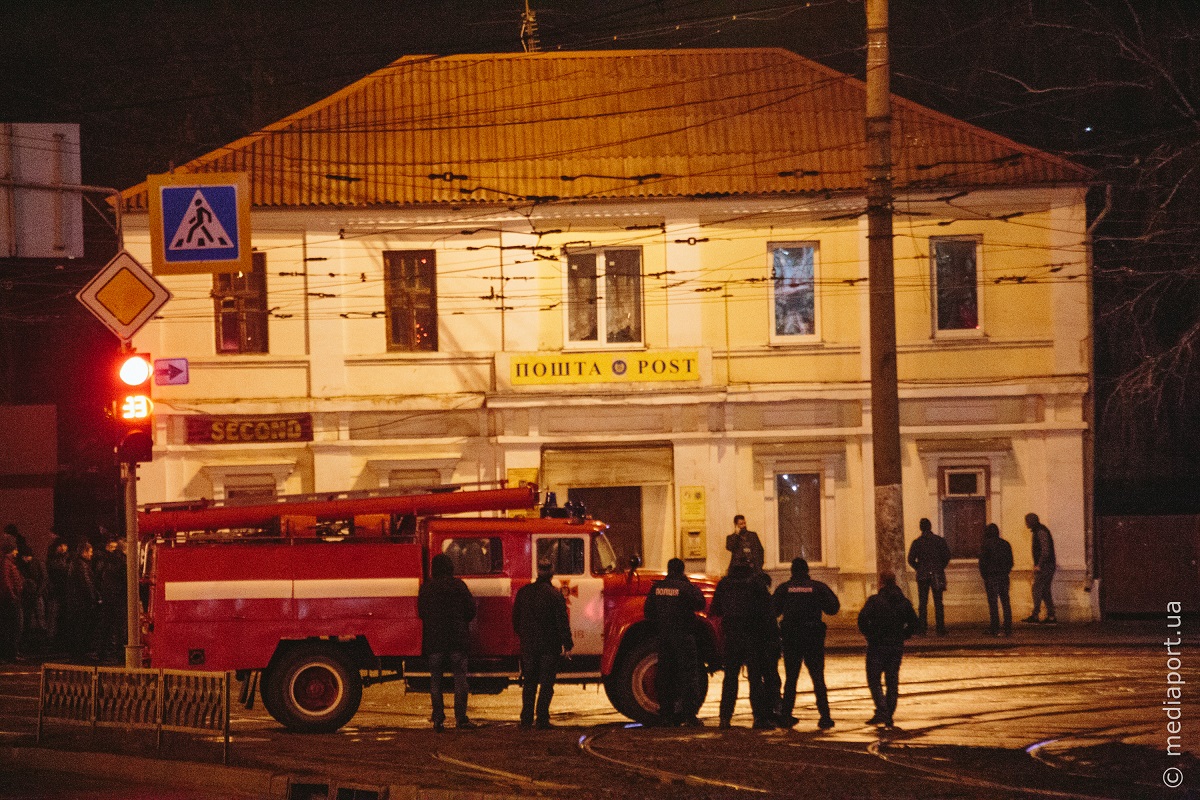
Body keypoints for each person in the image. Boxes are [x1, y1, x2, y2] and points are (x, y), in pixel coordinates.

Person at [772, 557, 840, 729]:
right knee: (818, 678)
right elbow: (833, 608)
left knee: (791, 679)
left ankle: (786, 715)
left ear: (792, 571)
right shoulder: (817, 587)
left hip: (791, 638)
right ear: (807, 570)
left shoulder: (785, 589)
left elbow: (773, 610)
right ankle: (825, 717)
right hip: (813, 637)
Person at [417, 553, 479, 731]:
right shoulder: (459, 586)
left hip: (434, 640)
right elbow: (470, 610)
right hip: (457, 639)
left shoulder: (427, 588)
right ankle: (461, 719)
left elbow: (421, 612)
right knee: (460, 680)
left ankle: (438, 719)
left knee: (436, 680)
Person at [710, 562, 776, 729]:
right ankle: (759, 718)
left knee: (730, 678)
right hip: (752, 637)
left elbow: (716, 609)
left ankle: (725, 718)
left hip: (732, 637)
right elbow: (768, 610)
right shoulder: (755, 583)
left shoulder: (724, 584)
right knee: (755, 679)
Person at [644, 557, 706, 726]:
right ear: (682, 570)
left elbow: (648, 612)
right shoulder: (686, 587)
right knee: (688, 675)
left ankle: (666, 715)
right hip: (684, 637)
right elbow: (700, 604)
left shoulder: (657, 588)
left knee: (665, 675)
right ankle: (689, 715)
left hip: (664, 638)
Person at [513, 559, 573, 729]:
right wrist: (567, 644)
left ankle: (526, 719)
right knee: (546, 684)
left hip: (529, 646)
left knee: (529, 683)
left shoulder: (524, 592)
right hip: (549, 647)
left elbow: (516, 620)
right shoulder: (555, 595)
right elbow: (562, 621)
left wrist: (524, 636)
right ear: (551, 572)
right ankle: (542, 719)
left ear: (538, 571)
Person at [857, 571, 919, 728]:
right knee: (892, 680)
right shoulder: (904, 602)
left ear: (881, 582)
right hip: (895, 645)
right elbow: (914, 624)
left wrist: (870, 635)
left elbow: (862, 620)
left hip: (877, 645)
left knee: (874, 679)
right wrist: (903, 635)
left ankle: (882, 710)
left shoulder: (874, 601)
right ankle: (888, 713)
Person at [906, 518, 950, 635]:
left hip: (922, 575)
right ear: (930, 527)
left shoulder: (917, 542)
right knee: (938, 602)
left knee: (923, 602)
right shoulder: (939, 541)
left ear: (921, 528)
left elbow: (910, 559)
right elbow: (947, 556)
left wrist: (919, 567)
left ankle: (922, 629)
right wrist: (940, 567)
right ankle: (940, 629)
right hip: (937, 574)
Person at [63, 540, 100, 663]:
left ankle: (77, 653)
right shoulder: (81, 566)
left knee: (77, 628)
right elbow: (87, 584)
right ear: (84, 552)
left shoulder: (76, 563)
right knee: (81, 629)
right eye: (90, 552)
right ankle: (79, 654)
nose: (91, 554)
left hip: (76, 603)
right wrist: (95, 598)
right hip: (81, 604)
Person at [93, 536, 128, 663]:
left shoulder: (108, 560)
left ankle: (101, 652)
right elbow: (126, 581)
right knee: (121, 627)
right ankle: (120, 654)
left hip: (108, 597)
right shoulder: (123, 562)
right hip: (119, 598)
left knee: (107, 626)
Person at [978, 523, 1014, 636]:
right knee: (1005, 602)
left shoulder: (986, 544)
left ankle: (995, 628)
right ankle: (1008, 628)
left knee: (993, 603)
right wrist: (1006, 571)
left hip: (991, 576)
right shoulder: (1005, 544)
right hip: (1003, 576)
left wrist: (985, 576)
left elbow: (982, 563)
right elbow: (1011, 562)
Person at [1023, 513, 1057, 624]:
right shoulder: (1040, 530)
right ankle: (1051, 616)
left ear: (1031, 521)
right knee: (1045, 590)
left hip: (1045, 566)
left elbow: (1045, 550)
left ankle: (1035, 615)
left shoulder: (1040, 531)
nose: (1026, 523)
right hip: (1048, 564)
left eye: (1027, 521)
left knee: (1036, 588)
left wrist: (1039, 565)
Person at [0, 535, 24, 662]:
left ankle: (12, 652)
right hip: (11, 600)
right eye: (15, 549)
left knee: (13, 627)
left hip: (12, 599)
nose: (17, 552)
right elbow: (6, 581)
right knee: (14, 626)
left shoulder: (8, 562)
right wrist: (13, 596)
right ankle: (11, 653)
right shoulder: (6, 563)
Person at [45, 536, 70, 652]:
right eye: (63, 545)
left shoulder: (64, 558)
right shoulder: (55, 559)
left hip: (62, 591)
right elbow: (59, 570)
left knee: (59, 616)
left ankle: (58, 639)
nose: (65, 548)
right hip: (56, 591)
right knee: (54, 615)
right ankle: (51, 639)